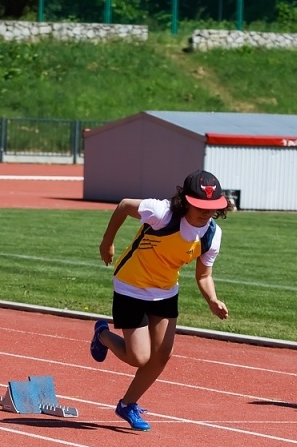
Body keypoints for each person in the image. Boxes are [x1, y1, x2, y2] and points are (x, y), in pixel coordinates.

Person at [90, 170, 232, 431]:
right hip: (131, 286)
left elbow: (204, 275)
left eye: (211, 208)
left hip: (165, 291)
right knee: (139, 357)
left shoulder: (212, 235)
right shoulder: (162, 213)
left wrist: (212, 299)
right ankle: (102, 336)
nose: (206, 213)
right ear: (185, 201)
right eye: (200, 206)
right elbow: (124, 206)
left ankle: (127, 404)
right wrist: (107, 242)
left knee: (162, 354)